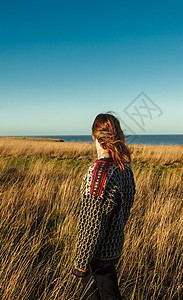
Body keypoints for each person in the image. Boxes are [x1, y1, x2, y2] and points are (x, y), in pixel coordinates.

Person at [72, 113, 136, 300]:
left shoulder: (98, 173)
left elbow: (91, 226)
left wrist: (80, 264)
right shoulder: (125, 169)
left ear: (94, 136)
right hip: (113, 249)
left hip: (95, 257)